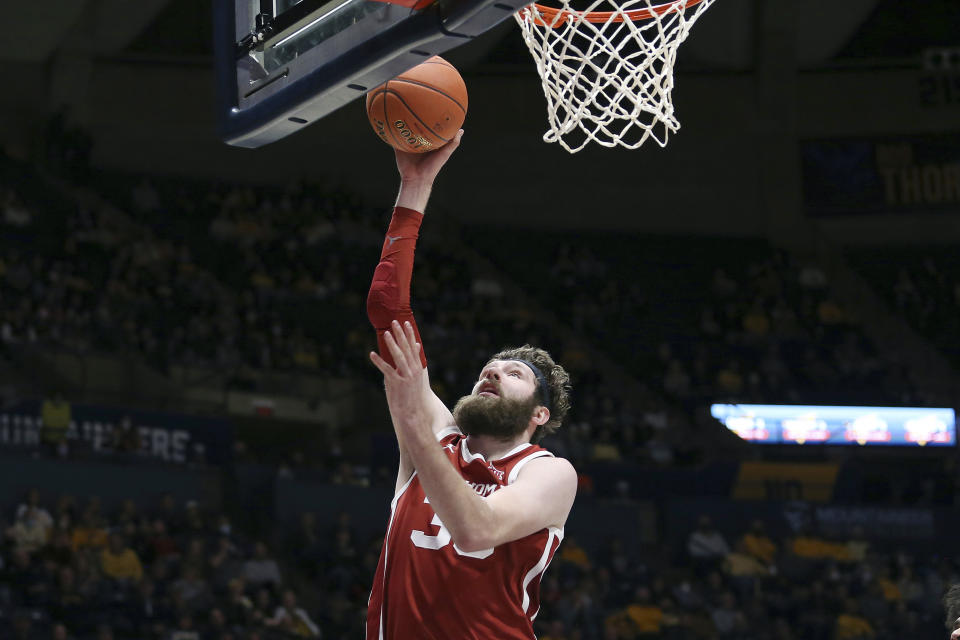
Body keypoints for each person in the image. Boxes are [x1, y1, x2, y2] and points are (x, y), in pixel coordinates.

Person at [364, 130, 578, 640]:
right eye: (489, 367)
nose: (492, 372)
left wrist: (414, 430)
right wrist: (415, 185)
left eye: (514, 374)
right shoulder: (437, 435)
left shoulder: (548, 474)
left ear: (540, 414)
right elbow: (387, 306)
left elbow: (477, 529)